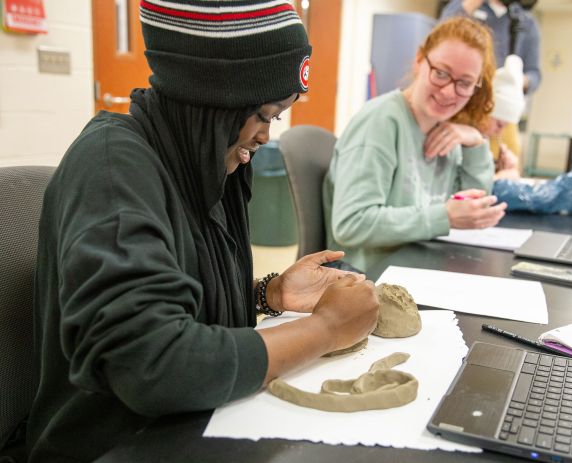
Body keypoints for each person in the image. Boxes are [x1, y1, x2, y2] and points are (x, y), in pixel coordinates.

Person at [27, 2, 379, 462]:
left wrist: (267, 294)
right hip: (117, 447)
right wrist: (326, 328)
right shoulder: (112, 170)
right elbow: (153, 364)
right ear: (211, 96)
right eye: (264, 114)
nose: (265, 136)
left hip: (201, 426)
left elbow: (182, 304)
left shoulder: (207, 160)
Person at [323, 17, 507, 272]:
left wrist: (475, 142)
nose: (448, 92)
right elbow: (352, 224)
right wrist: (444, 216)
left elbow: (472, 209)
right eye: (441, 73)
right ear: (420, 60)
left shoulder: (447, 129)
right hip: (367, 276)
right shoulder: (380, 122)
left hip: (419, 264)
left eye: (464, 83)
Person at [439, 0, 541, 95]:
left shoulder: (527, 23)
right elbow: (440, 36)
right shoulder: (464, 4)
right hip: (458, 90)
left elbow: (534, 74)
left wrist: (518, 80)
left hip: (497, 97)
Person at [485, 54, 526, 180]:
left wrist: (502, 169)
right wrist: (498, 178)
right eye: (499, 125)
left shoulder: (501, 135)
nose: (500, 132)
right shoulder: (464, 137)